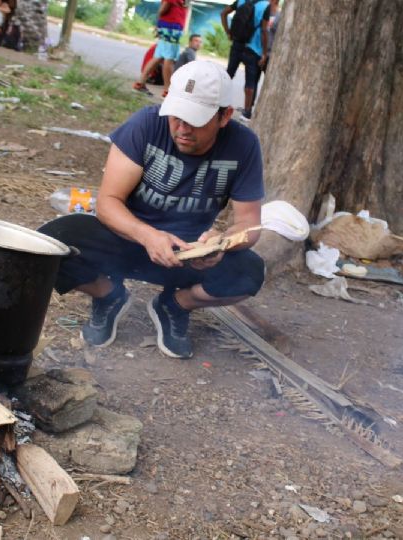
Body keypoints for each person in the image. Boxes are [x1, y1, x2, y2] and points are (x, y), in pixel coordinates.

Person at [39, 60, 265, 359]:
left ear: (225, 115)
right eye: (177, 117)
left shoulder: (243, 145)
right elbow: (108, 203)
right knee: (47, 247)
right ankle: (108, 295)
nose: (182, 129)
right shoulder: (145, 125)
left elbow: (249, 225)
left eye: (195, 121)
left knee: (250, 273)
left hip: (188, 253)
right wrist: (147, 235)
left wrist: (220, 243)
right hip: (126, 239)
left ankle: (176, 304)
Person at [220, 0, 272, 120]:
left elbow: (223, 13)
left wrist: (228, 32)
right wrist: (264, 53)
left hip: (237, 44)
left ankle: (219, 103)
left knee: (228, 75)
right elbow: (264, 30)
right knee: (250, 81)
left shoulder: (241, 1)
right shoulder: (265, 6)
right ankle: (246, 113)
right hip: (253, 49)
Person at [133, 0, 189, 97]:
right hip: (170, 30)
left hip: (170, 29)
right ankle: (168, 90)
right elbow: (162, 9)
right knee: (169, 59)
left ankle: (140, 83)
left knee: (158, 57)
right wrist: (158, 25)